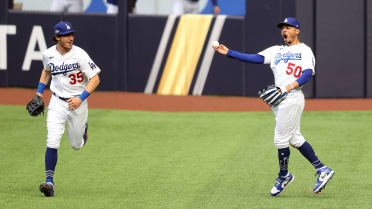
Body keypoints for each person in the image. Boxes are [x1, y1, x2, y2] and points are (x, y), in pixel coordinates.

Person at [213, 17, 334, 196]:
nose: (284, 30)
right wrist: (229, 52)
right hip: (279, 99)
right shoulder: (276, 50)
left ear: (297, 31)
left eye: (288, 27)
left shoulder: (304, 50)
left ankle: (284, 175)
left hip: (292, 97)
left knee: (280, 140)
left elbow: (307, 73)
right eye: (282, 28)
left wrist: (287, 87)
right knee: (294, 138)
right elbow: (254, 58)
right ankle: (322, 169)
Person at [35, 21, 101, 197]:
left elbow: (95, 79)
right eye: (66, 35)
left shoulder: (80, 54)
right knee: (52, 140)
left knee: (76, 144)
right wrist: (39, 92)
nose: (71, 38)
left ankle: (83, 133)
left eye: (72, 34)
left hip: (77, 103)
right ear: (57, 37)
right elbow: (46, 71)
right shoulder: (48, 54)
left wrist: (80, 98)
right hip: (56, 102)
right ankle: (49, 182)